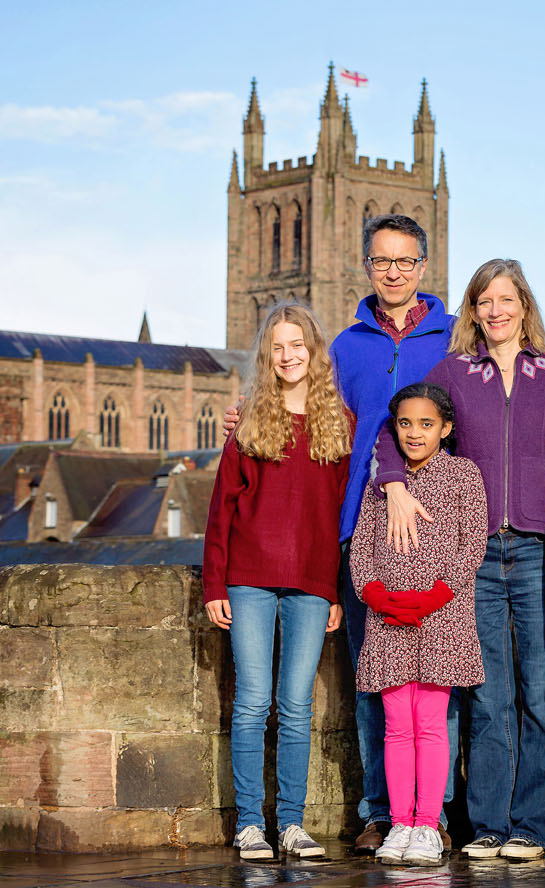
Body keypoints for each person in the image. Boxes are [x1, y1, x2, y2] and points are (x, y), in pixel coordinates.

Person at [225, 214, 457, 853]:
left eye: (406, 261)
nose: (394, 272)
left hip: (434, 531)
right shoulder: (347, 345)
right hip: (362, 532)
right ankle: (379, 812)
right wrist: (244, 420)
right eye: (383, 261)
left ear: (422, 265)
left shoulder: (450, 339)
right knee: (372, 680)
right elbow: (311, 412)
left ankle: (432, 815)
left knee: (439, 684)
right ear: (366, 266)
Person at [373, 259, 545, 860]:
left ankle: (531, 822)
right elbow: (397, 419)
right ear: (473, 311)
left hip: (535, 545)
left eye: (506, 299)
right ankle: (486, 823)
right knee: (486, 693)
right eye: (485, 301)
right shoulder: (455, 370)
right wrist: (396, 481)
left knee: (538, 689)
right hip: (474, 554)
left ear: (524, 306)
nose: (496, 311)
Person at [202, 303, 350, 860]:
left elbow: (340, 516)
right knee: (252, 701)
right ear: (267, 356)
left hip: (311, 581)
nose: (289, 356)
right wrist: (214, 584)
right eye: (278, 347)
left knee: (295, 705)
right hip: (249, 577)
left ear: (314, 352)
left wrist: (334, 589)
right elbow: (222, 509)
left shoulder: (339, 424)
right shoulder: (249, 423)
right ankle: (249, 823)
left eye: (298, 345)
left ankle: (290, 823)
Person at [350, 383, 487, 866]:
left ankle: (428, 825)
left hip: (442, 621)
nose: (414, 433)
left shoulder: (463, 477)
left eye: (426, 424)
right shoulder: (381, 484)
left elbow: (471, 547)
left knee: (430, 726)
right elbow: (361, 550)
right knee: (395, 727)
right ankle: (400, 822)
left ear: (446, 428)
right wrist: (377, 596)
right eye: (405, 423)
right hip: (388, 623)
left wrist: (431, 597)